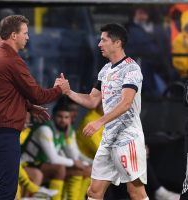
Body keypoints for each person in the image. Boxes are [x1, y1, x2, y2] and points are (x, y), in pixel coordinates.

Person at [0, 15, 69, 199]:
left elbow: (2, 94)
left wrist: (27, 106)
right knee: (7, 189)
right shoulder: (12, 61)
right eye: (25, 33)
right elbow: (38, 95)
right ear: (13, 35)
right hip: (4, 131)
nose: (28, 37)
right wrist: (60, 89)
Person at [63, 23, 148, 200]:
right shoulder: (105, 70)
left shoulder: (131, 69)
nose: (99, 44)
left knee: (136, 193)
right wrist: (68, 92)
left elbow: (126, 103)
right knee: (93, 192)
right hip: (108, 139)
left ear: (117, 43)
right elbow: (92, 100)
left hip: (127, 139)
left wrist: (99, 122)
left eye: (103, 40)